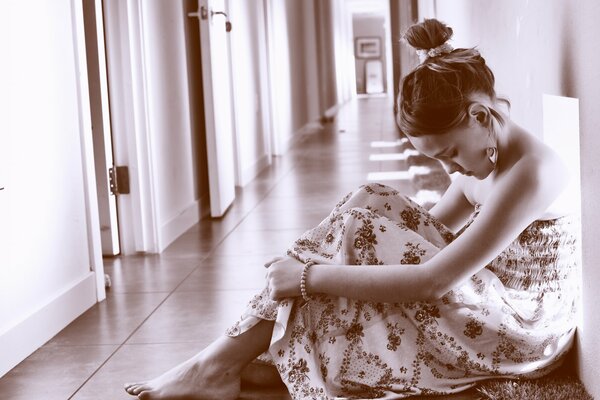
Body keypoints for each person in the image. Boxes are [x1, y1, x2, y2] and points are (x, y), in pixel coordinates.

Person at [124, 18, 579, 399]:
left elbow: (433, 279)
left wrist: (306, 277)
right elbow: (415, 237)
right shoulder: (481, 160)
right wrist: (323, 258)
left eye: (449, 152)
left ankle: (218, 362)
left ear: (480, 118)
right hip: (485, 299)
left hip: (524, 329)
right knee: (368, 202)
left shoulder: (533, 172)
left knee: (357, 229)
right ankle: (232, 359)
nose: (450, 167)